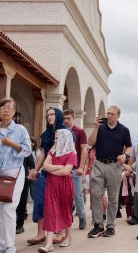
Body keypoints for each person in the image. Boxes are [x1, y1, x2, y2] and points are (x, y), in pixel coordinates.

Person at [28, 108, 71, 245]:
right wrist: (36, 168)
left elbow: (70, 151)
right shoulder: (46, 134)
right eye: (47, 115)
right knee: (39, 201)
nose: (49, 117)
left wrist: (65, 169)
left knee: (59, 203)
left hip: (60, 173)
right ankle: (41, 233)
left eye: (52, 114)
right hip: (46, 172)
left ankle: (61, 232)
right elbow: (43, 153)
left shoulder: (66, 132)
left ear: (58, 116)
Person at [87, 105, 132, 238]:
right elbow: (90, 142)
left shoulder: (124, 130)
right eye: (108, 113)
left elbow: (129, 146)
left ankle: (111, 226)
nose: (109, 116)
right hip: (99, 164)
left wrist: (125, 155)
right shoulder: (100, 127)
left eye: (112, 114)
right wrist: (95, 127)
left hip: (114, 166)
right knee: (96, 195)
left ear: (118, 115)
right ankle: (98, 225)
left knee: (113, 198)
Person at [0, 98, 31, 253]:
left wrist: (11, 143)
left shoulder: (20, 130)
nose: (6, 110)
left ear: (13, 112)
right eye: (3, 107)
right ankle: (1, 244)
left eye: (9, 108)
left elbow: (27, 150)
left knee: (8, 209)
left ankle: (10, 245)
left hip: (14, 172)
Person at [38, 129, 77, 253]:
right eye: (55, 138)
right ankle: (49, 243)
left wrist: (52, 169)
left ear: (64, 138)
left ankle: (68, 235)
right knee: (50, 212)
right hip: (51, 185)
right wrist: (60, 167)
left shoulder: (72, 154)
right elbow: (44, 166)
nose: (55, 141)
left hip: (65, 186)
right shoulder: (52, 152)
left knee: (65, 210)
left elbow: (67, 171)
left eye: (57, 138)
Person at [63, 109, 88, 230]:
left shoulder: (80, 132)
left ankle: (82, 216)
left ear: (73, 118)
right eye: (64, 118)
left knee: (77, 194)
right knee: (63, 195)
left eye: (68, 118)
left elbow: (84, 150)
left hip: (75, 168)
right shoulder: (61, 131)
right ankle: (65, 220)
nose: (66, 121)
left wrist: (81, 167)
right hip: (62, 169)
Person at [16, 149, 35, 234]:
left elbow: (32, 166)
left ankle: (20, 225)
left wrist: (30, 175)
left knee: (21, 202)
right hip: (8, 178)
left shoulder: (26, 150)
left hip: (23, 179)